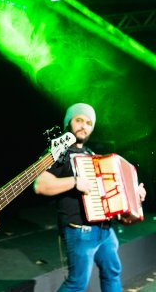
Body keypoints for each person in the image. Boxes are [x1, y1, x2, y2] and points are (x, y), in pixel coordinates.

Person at [33, 103, 146, 292]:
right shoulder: (57, 152)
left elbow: (109, 194)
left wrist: (134, 196)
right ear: (68, 122)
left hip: (105, 230)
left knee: (112, 272)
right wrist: (75, 182)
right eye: (79, 120)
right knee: (77, 283)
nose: (84, 126)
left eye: (88, 122)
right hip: (80, 231)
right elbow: (40, 185)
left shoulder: (91, 155)